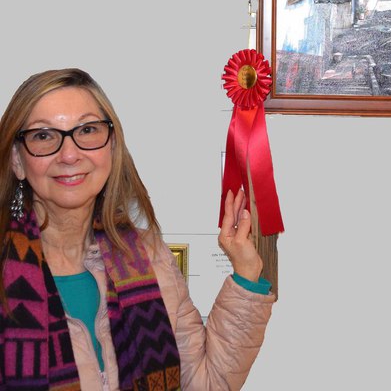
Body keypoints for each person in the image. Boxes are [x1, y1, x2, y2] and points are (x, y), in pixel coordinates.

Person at [0, 68, 275, 391]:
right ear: (17, 160)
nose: (70, 154)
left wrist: (246, 273)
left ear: (112, 147)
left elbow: (206, 384)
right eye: (44, 136)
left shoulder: (150, 255)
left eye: (87, 130)